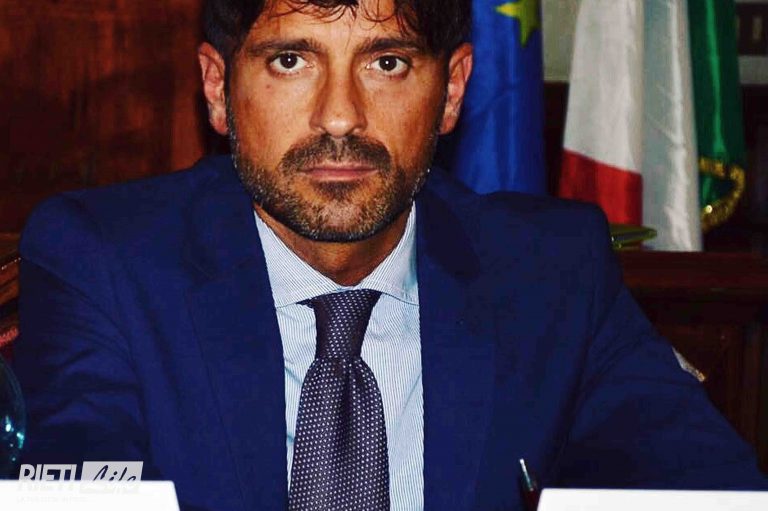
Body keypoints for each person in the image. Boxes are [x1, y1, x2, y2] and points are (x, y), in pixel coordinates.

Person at [13, 0, 768, 509]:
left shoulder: (552, 272)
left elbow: (706, 489)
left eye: (387, 63)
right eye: (290, 60)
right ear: (218, 88)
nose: (340, 115)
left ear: (453, 90)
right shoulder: (104, 263)